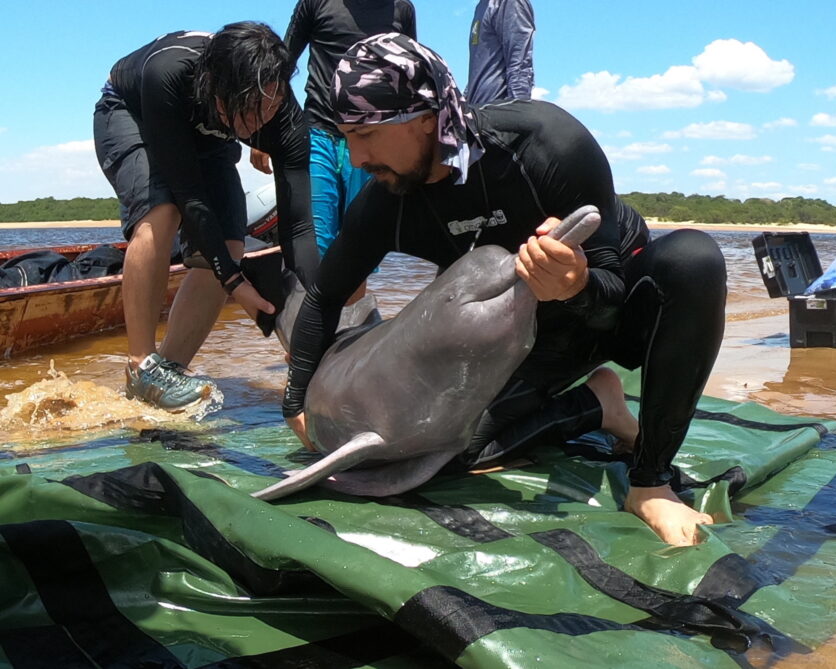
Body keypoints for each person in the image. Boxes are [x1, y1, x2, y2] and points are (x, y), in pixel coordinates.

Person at [283, 34, 727, 547]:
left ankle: (650, 483)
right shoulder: (388, 199)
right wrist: (297, 402)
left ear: (426, 117)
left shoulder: (543, 145)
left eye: (366, 135)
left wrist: (576, 284)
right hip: (531, 338)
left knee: (694, 259)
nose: (356, 158)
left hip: (616, 306)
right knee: (438, 453)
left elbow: (609, 283)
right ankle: (598, 405)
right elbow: (323, 297)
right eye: (345, 137)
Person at [93, 22, 318, 411]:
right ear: (214, 84)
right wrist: (235, 283)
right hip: (134, 112)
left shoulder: (279, 119)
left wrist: (314, 311)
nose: (257, 124)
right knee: (162, 211)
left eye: (268, 108)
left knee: (230, 244)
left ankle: (169, 372)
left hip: (210, 132)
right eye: (247, 111)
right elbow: (190, 198)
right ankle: (142, 365)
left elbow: (298, 225)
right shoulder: (167, 73)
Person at [250, 0, 417, 261]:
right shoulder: (316, 3)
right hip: (319, 133)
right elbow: (280, 66)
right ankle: (313, 300)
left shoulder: (402, 9)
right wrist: (263, 131)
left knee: (362, 243)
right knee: (315, 237)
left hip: (373, 141)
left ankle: (352, 304)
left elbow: (408, 79)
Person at [465, 0, 535, 104]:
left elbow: (519, 67)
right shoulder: (481, 7)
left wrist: (519, 113)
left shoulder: (510, 3)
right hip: (478, 112)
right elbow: (478, 69)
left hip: (498, 111)